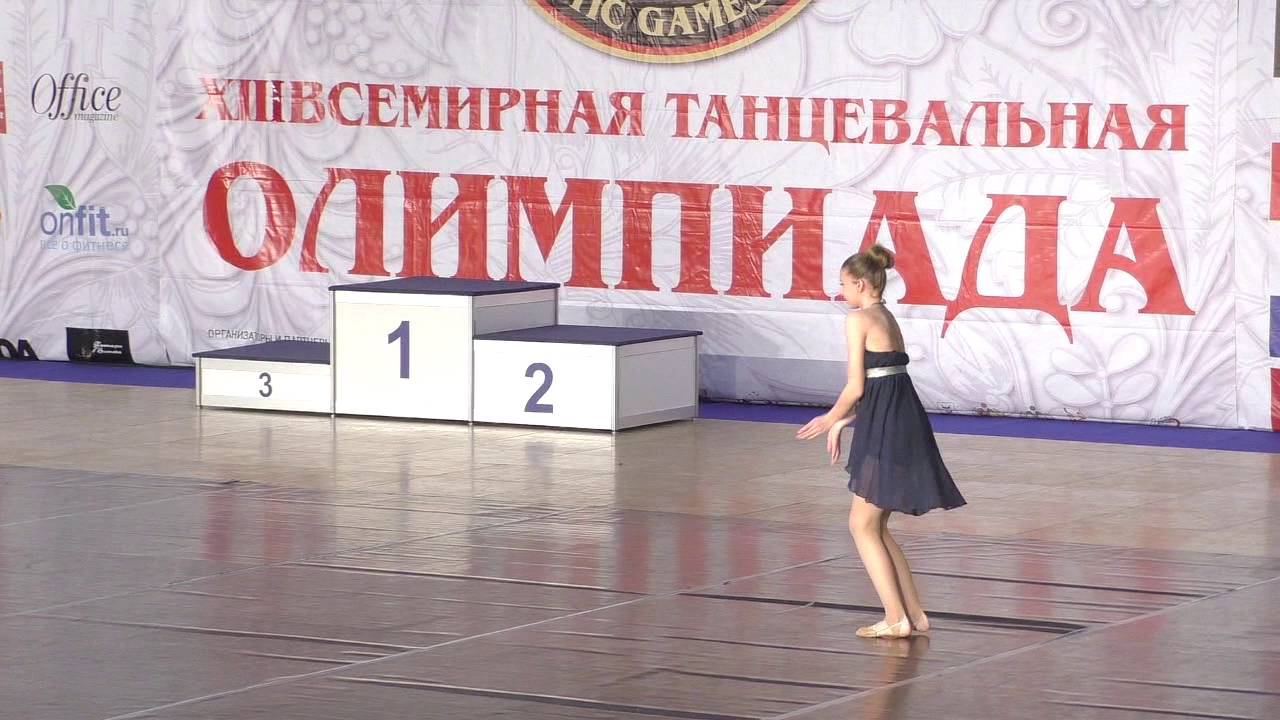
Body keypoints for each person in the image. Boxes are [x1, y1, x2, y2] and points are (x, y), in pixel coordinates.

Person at [797, 244, 966, 639]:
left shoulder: (858, 319)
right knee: (876, 525)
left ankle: (895, 618)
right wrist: (846, 422)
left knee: (861, 524)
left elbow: (857, 386)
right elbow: (886, 386)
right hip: (898, 422)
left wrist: (829, 418)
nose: (841, 291)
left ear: (860, 284)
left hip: (887, 428)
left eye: (843, 284)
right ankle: (914, 614)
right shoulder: (886, 317)